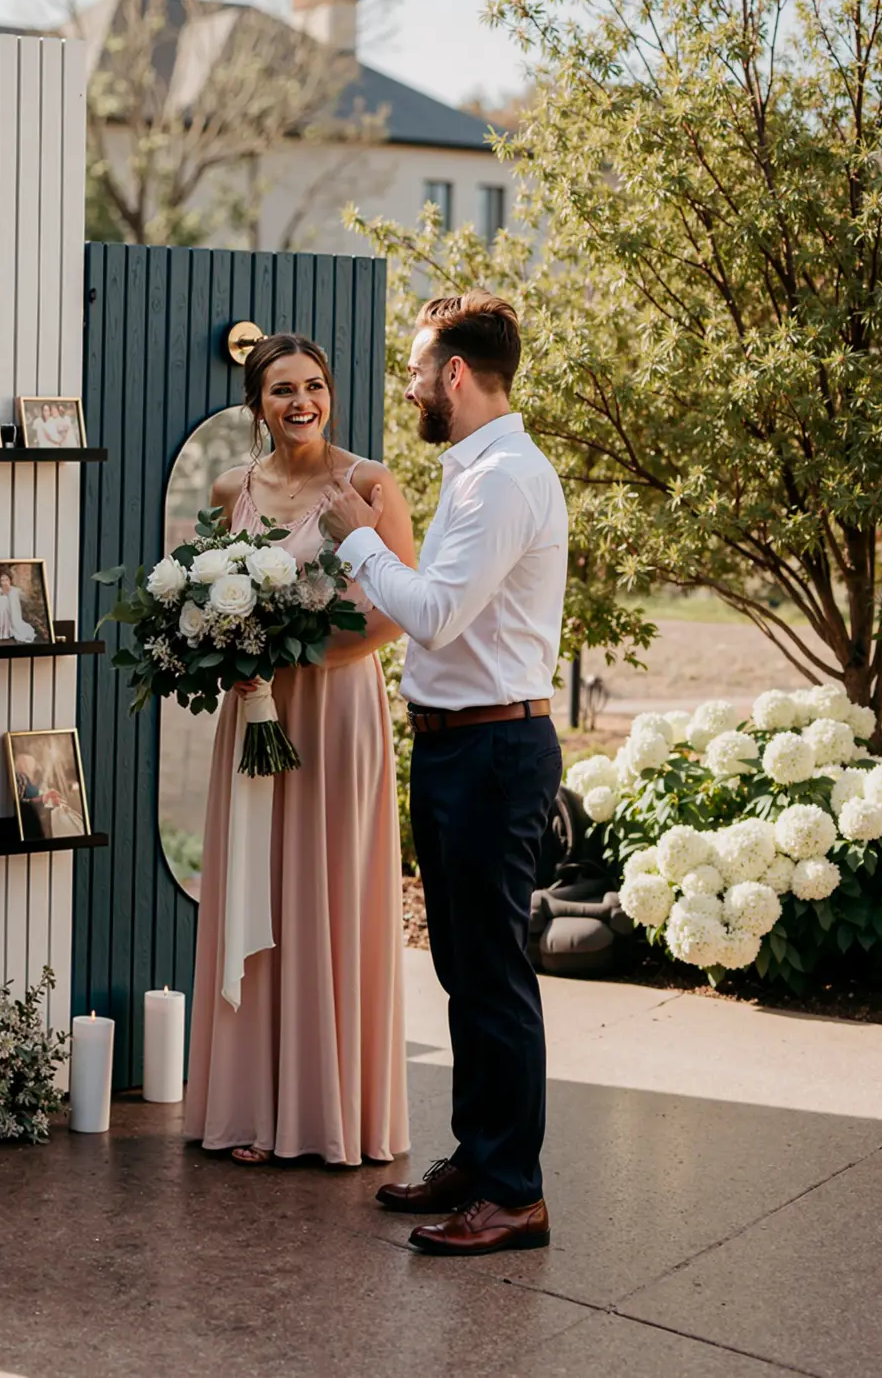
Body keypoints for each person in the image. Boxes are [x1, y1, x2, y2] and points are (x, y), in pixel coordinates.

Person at [318, 292, 567, 1257]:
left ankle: (515, 1194)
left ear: (455, 374)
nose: (411, 385)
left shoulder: (504, 479)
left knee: (497, 976)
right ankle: (478, 1155)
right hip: (457, 742)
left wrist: (356, 535)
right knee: (465, 969)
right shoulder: (477, 473)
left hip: (496, 751)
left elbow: (435, 613)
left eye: (419, 369)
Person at [183, 332, 415, 1177]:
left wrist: (299, 655)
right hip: (254, 712)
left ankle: (328, 1113)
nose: (302, 402)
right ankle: (250, 1102)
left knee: (328, 891)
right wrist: (233, 651)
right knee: (259, 885)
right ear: (258, 405)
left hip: (336, 709)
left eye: (314, 385)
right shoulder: (228, 490)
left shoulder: (371, 484)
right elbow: (203, 596)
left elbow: (399, 608)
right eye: (283, 389)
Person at [0, 565, 36, 644]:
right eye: (2, 580)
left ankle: (10, 630)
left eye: (6, 580)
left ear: (10, 580)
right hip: (0, 615)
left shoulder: (14, 591)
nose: (4, 582)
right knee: (1, 605)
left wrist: (7, 595)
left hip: (10, 614)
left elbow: (14, 606)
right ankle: (1, 631)